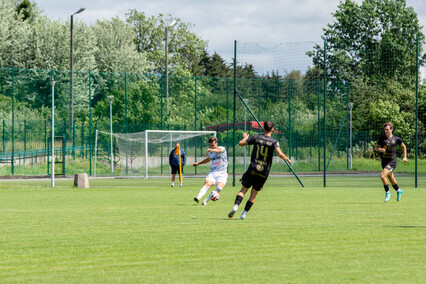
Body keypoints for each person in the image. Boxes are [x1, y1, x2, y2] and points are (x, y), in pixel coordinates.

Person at [228, 121, 291, 220]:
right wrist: (286, 158)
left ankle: (235, 206)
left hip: (253, 167)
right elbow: (279, 153)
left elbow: (241, 143)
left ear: (263, 128)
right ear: (272, 129)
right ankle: (244, 214)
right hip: (264, 171)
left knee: (244, 189)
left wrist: (245, 137)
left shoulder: (255, 137)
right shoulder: (274, 142)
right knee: (254, 193)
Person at [374, 122, 407, 202]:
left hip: (392, 162)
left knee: (382, 176)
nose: (386, 131)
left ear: (391, 129)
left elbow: (404, 146)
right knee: (391, 178)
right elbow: (376, 147)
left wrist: (404, 157)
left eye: (388, 129)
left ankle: (387, 192)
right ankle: (398, 190)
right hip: (384, 161)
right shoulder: (382, 138)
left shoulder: (396, 139)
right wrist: (380, 149)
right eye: (385, 130)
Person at [192, 136, 228, 205]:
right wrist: (198, 163)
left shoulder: (222, 148)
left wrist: (211, 150)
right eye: (210, 146)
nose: (211, 147)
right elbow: (208, 159)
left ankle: (206, 200)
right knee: (207, 183)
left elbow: (218, 151)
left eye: (213, 145)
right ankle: (198, 197)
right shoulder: (211, 153)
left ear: (216, 143)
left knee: (219, 188)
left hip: (222, 173)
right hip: (213, 173)